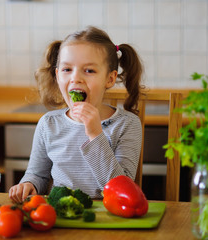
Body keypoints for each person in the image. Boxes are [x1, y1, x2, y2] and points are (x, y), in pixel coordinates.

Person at [9, 26, 144, 203]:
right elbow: (37, 175)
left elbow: (122, 190)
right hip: (61, 218)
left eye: (89, 71)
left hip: (109, 219)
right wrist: (28, 184)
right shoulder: (48, 124)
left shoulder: (127, 124)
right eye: (67, 70)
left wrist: (95, 134)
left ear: (109, 79)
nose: (76, 78)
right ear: (57, 76)